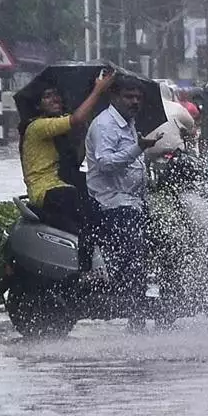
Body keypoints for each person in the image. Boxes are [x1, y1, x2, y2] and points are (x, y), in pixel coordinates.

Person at [87, 77, 161, 322]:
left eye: (138, 97)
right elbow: (106, 163)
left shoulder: (128, 123)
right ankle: (133, 309)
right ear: (114, 97)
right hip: (112, 203)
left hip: (133, 201)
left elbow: (132, 161)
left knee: (163, 240)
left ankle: (152, 301)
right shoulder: (105, 125)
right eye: (129, 96)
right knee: (134, 255)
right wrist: (138, 148)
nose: (135, 101)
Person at [21, 69, 114, 251]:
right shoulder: (37, 126)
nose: (55, 99)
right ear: (38, 105)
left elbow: (76, 161)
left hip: (63, 183)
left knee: (99, 197)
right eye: (47, 96)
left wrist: (86, 135)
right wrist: (97, 91)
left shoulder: (58, 129)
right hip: (47, 190)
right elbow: (77, 118)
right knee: (85, 211)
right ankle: (88, 266)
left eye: (56, 95)